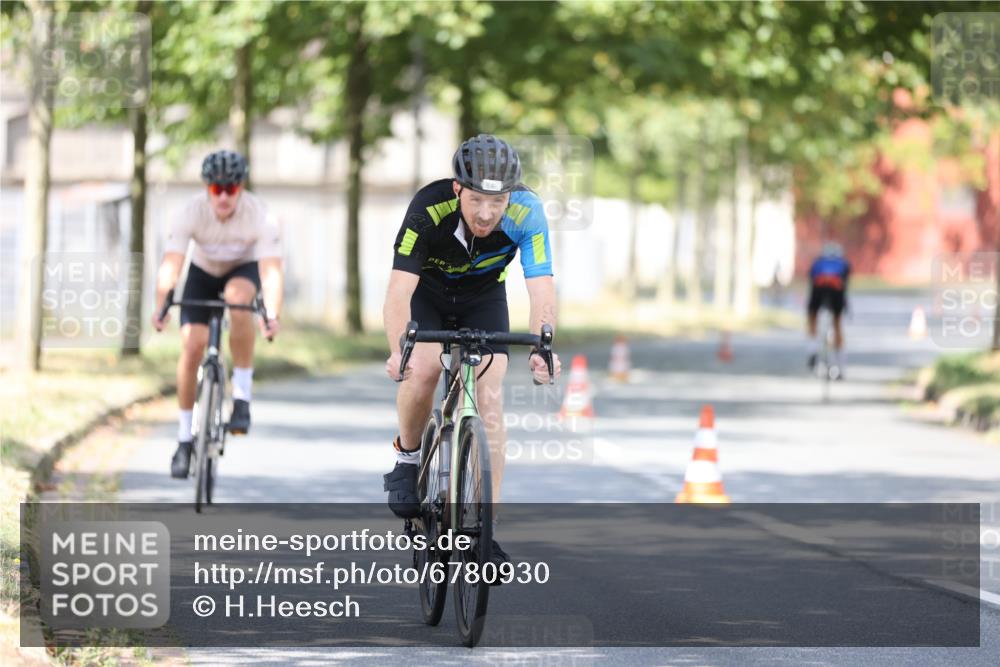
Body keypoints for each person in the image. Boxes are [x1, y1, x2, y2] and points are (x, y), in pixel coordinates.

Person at [382, 134, 562, 567]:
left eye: (496, 203)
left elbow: (541, 288)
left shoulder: (528, 211)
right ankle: (407, 457)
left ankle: (484, 532)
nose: (486, 213)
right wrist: (397, 351)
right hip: (428, 295)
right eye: (477, 199)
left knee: (491, 392)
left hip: (483, 298)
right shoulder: (428, 209)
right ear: (459, 189)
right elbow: (398, 292)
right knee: (423, 369)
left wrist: (543, 345)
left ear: (510, 197)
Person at [152, 150, 283, 479]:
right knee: (192, 345)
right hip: (202, 274)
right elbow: (171, 265)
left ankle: (241, 397)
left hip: (243, 269)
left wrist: (272, 314)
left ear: (241, 188)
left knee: (239, 298)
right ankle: (184, 439)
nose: (223, 196)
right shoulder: (190, 212)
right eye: (216, 189)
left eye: (231, 189)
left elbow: (271, 272)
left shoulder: (260, 215)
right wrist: (161, 305)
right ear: (207, 188)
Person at [807, 240, 850, 378]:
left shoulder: (818, 263)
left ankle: (813, 348)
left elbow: (811, 279)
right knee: (837, 324)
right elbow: (846, 284)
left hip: (818, 290)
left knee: (812, 316)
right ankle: (840, 365)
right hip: (837, 292)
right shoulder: (843, 263)